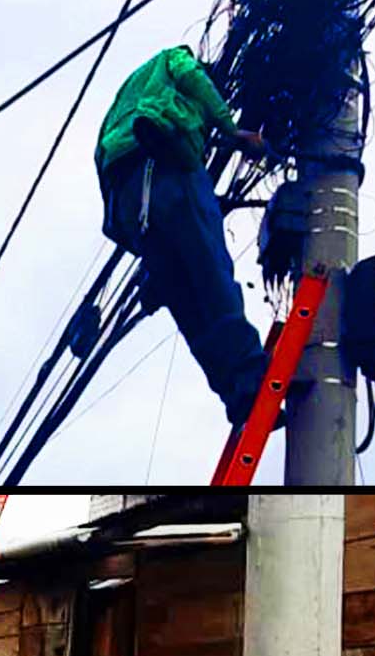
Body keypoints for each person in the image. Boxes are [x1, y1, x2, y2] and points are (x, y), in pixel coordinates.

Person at [96, 45, 273, 426]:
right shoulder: (174, 59)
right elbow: (193, 77)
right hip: (168, 165)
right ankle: (249, 377)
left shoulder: (126, 95)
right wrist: (232, 131)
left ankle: (232, 393)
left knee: (186, 301)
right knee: (211, 271)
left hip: (129, 204)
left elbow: (101, 158)